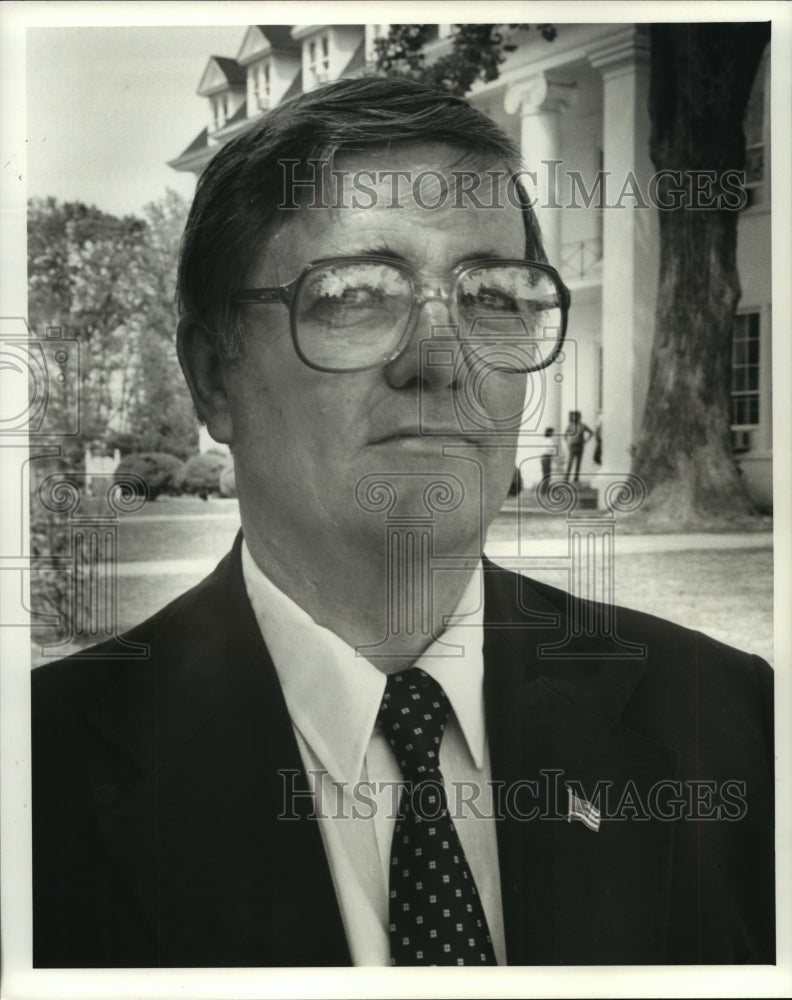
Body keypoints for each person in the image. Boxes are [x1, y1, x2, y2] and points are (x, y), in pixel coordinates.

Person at [31, 76, 774, 968]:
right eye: (353, 293)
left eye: (495, 295)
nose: (440, 358)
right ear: (212, 375)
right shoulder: (35, 783)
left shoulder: (726, 722)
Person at [563, 410, 593, 483]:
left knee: (578, 463)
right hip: (572, 446)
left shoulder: (583, 426)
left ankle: (576, 479)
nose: (575, 418)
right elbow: (565, 435)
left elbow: (591, 433)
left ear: (579, 417)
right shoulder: (570, 426)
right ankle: (566, 478)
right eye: (574, 416)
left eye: (577, 416)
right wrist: (568, 444)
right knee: (570, 462)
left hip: (580, 445)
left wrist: (586, 441)